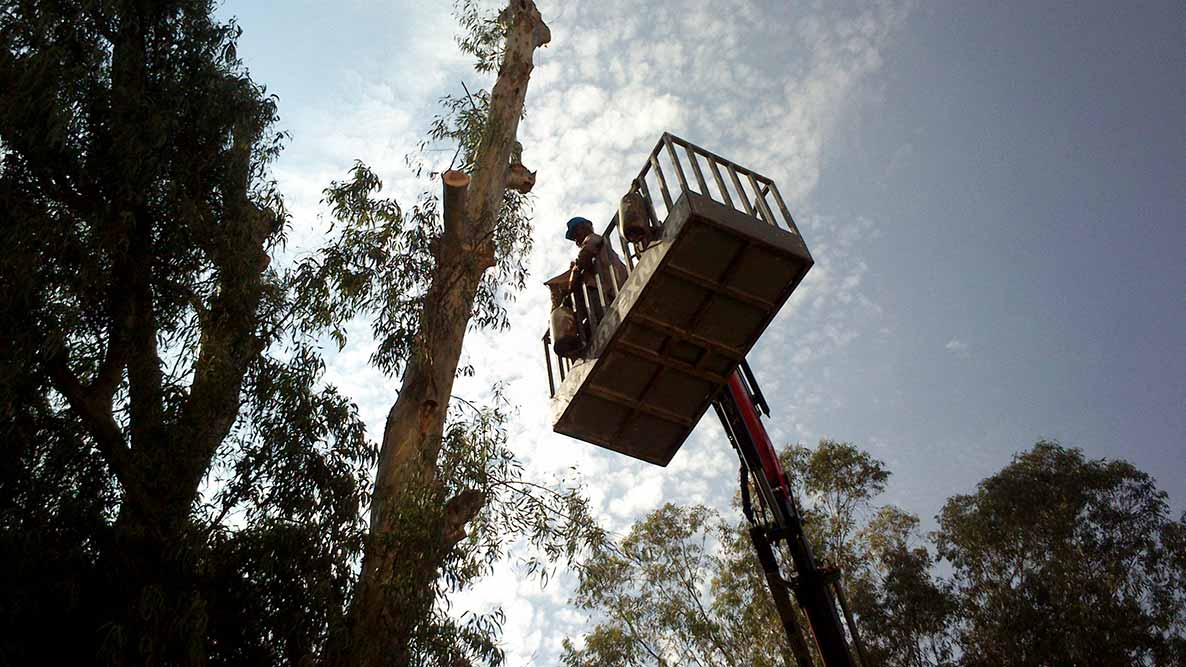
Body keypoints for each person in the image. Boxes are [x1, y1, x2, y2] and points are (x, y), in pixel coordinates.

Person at [545, 216, 629, 357]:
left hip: (607, 291)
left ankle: (580, 338)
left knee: (593, 312)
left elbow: (583, 258)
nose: (576, 240)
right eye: (574, 237)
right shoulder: (592, 244)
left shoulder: (593, 239)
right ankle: (575, 340)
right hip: (607, 290)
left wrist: (573, 279)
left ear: (587, 227)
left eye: (576, 233)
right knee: (579, 313)